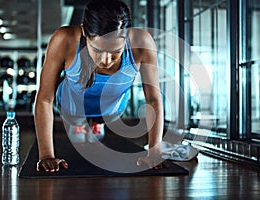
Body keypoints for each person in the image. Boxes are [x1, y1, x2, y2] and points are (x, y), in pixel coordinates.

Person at [35, 0, 165, 172]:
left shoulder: (142, 43)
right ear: (84, 32)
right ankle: (81, 124)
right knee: (76, 116)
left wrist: (154, 151)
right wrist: (46, 155)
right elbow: (44, 98)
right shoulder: (64, 39)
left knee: (102, 117)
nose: (105, 61)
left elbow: (154, 99)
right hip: (71, 109)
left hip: (111, 110)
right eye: (97, 50)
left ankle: (96, 124)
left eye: (115, 53)